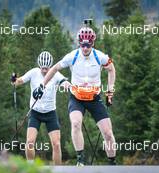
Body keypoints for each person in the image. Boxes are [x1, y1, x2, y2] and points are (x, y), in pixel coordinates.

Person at [33, 26, 117, 165]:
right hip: (76, 98)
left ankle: (112, 162)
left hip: (94, 98)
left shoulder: (100, 56)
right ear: (79, 43)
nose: (85, 48)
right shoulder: (72, 56)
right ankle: (80, 159)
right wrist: (42, 85)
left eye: (88, 45)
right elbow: (54, 69)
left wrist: (110, 91)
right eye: (82, 45)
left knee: (108, 133)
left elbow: (111, 70)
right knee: (76, 123)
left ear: (93, 43)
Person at [11, 51, 71, 165]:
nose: (44, 71)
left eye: (47, 68)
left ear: (50, 67)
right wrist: (14, 80)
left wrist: (67, 85)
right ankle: (30, 168)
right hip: (35, 113)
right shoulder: (34, 72)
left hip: (50, 113)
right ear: (39, 66)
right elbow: (18, 82)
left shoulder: (55, 74)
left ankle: (58, 171)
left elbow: (64, 82)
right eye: (42, 68)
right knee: (29, 142)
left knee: (57, 144)